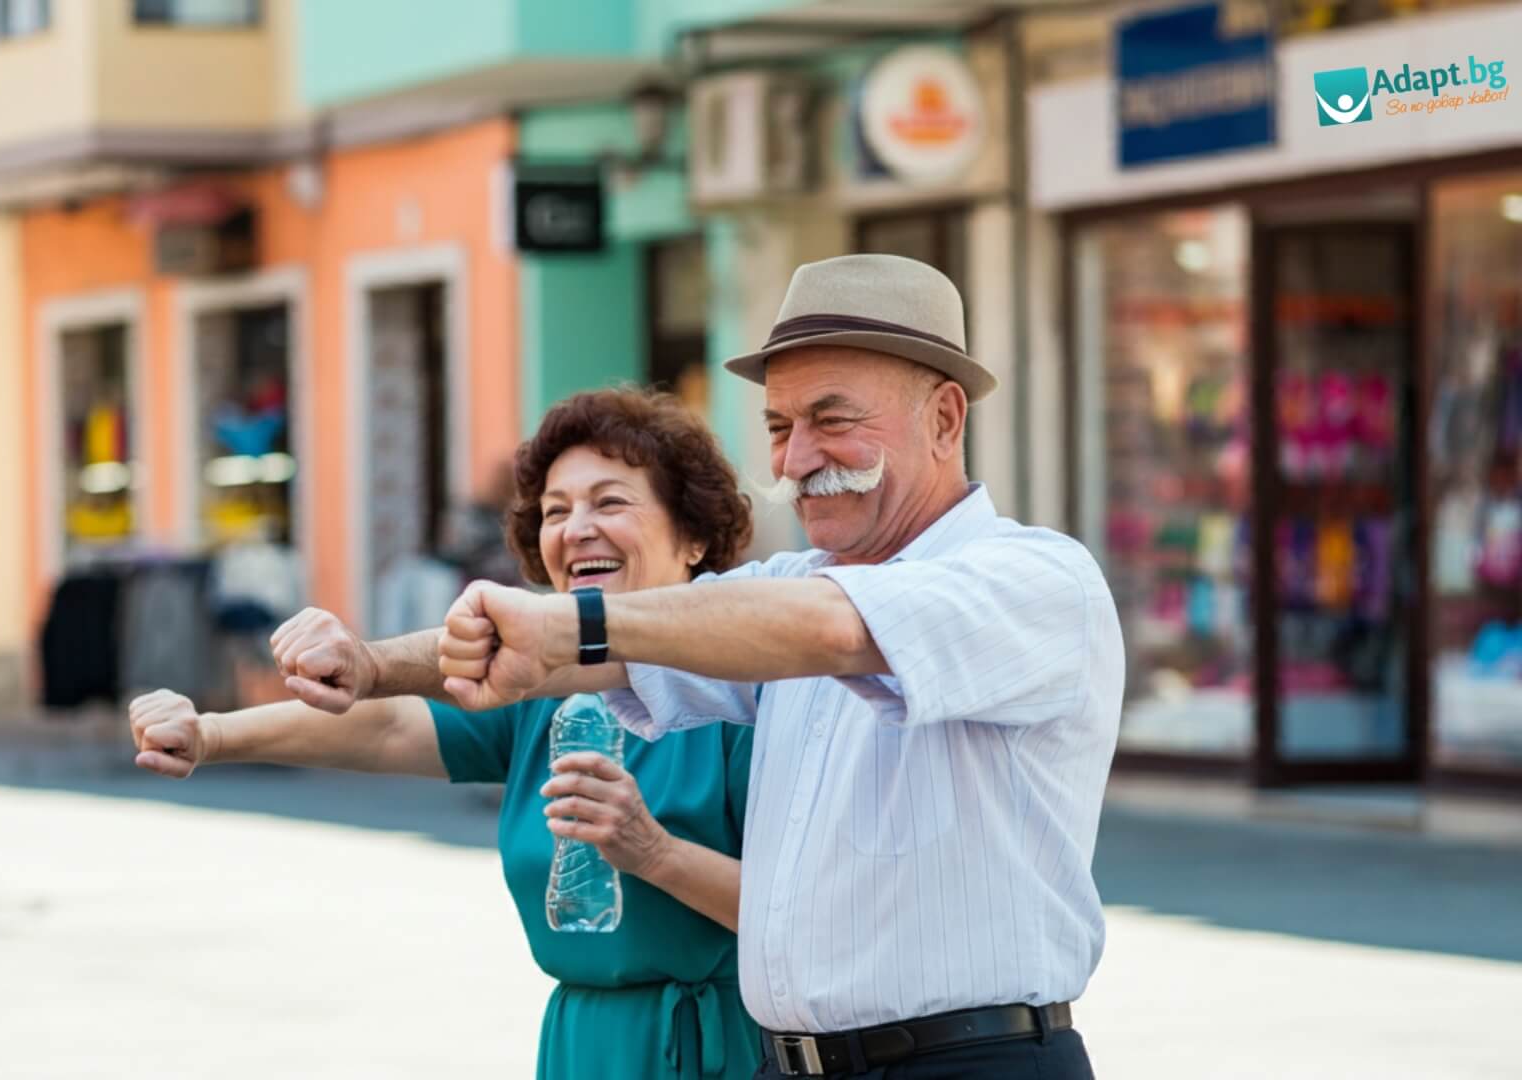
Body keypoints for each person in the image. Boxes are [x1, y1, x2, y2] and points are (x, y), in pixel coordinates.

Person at [430, 256, 1124, 1079]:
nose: (795, 460)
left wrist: (564, 620)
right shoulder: (791, 588)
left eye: (831, 420)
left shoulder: (1035, 579)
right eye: (778, 427)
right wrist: (363, 665)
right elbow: (631, 646)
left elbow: (834, 630)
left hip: (969, 1062)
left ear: (944, 419)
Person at [129, 388, 765, 1079]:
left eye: (610, 503)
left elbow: (800, 915)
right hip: (580, 1044)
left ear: (693, 536)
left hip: (716, 1048)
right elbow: (389, 726)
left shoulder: (747, 687)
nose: (576, 528)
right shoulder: (541, 690)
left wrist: (654, 852)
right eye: (556, 511)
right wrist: (212, 734)